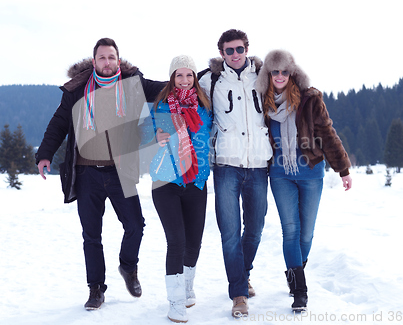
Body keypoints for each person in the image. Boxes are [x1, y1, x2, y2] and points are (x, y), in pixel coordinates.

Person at [35, 38, 164, 310]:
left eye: (112, 57)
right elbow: (59, 123)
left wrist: (196, 77)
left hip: (120, 173)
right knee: (91, 235)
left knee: (135, 225)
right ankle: (95, 289)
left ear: (119, 60)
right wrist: (45, 153)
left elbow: (167, 87)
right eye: (102, 58)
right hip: (86, 175)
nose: (107, 62)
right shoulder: (77, 90)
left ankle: (128, 266)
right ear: (94, 61)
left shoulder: (132, 84)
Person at [256, 49, 353, 312]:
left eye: (284, 71)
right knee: (291, 229)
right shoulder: (262, 102)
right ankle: (300, 290)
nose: (279, 76)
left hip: (310, 172)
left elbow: (327, 133)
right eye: (274, 71)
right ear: (268, 73)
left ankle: (294, 269)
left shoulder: (310, 99)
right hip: (279, 174)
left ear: (292, 72)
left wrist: (343, 168)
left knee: (307, 232)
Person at [198, 29, 273, 318]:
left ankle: (244, 273)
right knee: (229, 233)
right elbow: (188, 106)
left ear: (246, 49)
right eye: (228, 50)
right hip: (226, 165)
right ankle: (239, 293)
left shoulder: (263, 75)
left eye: (239, 49)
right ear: (221, 53)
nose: (235, 55)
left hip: (257, 164)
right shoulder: (209, 80)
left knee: (254, 229)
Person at [141, 55, 212, 323]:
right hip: (165, 182)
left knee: (194, 242)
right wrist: (154, 137)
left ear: (195, 78)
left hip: (196, 182)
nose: (184, 80)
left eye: (189, 75)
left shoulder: (205, 109)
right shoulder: (159, 107)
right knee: (177, 242)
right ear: (172, 78)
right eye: (179, 75)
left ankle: (187, 287)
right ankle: (175, 302)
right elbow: (141, 135)